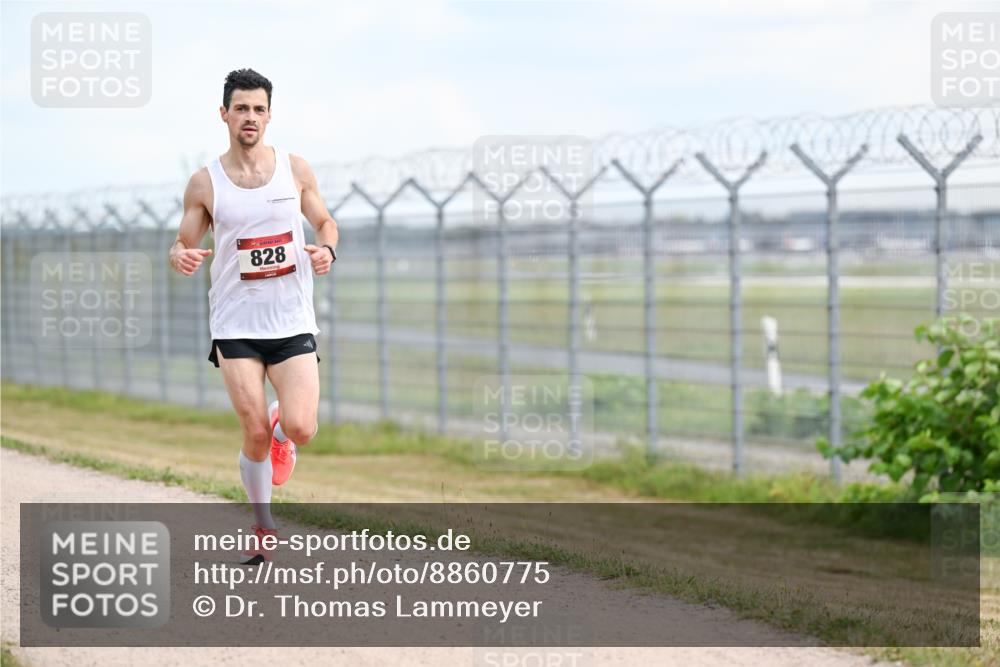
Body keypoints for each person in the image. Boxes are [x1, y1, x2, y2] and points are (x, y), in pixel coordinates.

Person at [169, 68, 338, 564]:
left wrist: (327, 250)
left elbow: (326, 222)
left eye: (258, 109)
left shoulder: (295, 169)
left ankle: (283, 438)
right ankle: (263, 526)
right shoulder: (206, 183)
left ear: (269, 115)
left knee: (301, 427)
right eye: (241, 108)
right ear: (224, 114)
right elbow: (184, 242)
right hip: (235, 324)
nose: (250, 117)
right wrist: (179, 255)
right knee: (254, 431)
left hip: (290, 320)